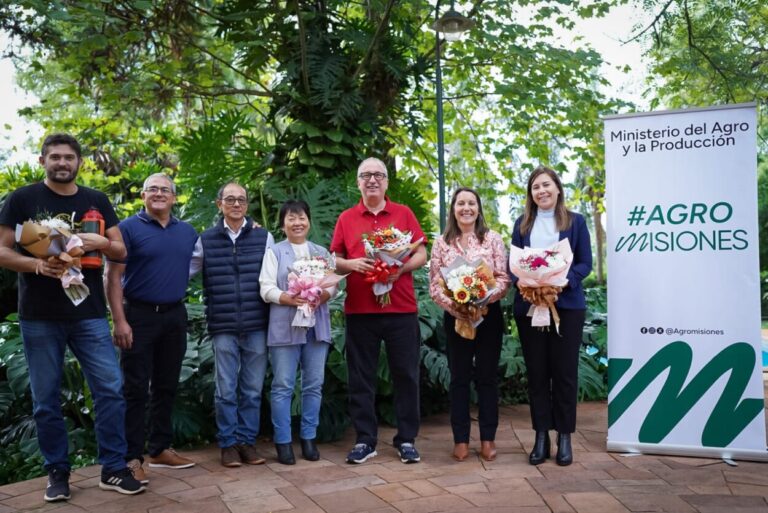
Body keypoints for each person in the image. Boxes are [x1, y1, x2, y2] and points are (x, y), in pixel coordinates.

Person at [0, 133, 145, 501]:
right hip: (39, 316)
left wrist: (102, 243)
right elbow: (2, 251)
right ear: (43, 161)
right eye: (55, 157)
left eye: (68, 157)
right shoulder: (22, 200)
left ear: (79, 162)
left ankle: (113, 468)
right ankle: (57, 472)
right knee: (46, 399)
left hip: (89, 313)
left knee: (110, 389)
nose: (62, 163)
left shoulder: (96, 200)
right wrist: (36, 265)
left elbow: (120, 250)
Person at [330, 157, 427, 464]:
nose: (372, 180)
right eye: (366, 175)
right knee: (361, 377)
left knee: (406, 374)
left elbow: (421, 252)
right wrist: (352, 264)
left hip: (401, 308)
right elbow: (334, 260)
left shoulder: (403, 213)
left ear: (386, 181)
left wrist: (401, 268)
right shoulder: (346, 218)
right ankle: (365, 440)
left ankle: (406, 439)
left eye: (378, 175)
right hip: (360, 310)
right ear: (358, 182)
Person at [105, 173, 198, 484]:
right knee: (134, 389)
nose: (159, 194)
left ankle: (160, 448)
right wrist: (119, 320)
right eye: (152, 189)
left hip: (175, 315)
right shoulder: (127, 229)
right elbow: (112, 277)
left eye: (165, 190)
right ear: (143, 195)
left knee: (166, 384)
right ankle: (131, 457)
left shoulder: (187, 232)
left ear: (174, 197)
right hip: (138, 316)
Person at [511, 166, 592, 466]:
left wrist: (562, 282)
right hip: (530, 307)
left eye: (546, 185)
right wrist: (526, 282)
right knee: (537, 373)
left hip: (566, 306)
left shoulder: (576, 222)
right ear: (530, 194)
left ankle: (565, 436)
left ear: (558, 188)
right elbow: (512, 264)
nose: (541, 191)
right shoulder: (522, 224)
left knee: (565, 373)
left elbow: (585, 263)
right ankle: (541, 435)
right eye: (535, 187)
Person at [189, 182, 273, 468]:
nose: (236, 204)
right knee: (225, 389)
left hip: (257, 323)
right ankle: (227, 444)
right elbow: (185, 271)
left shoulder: (264, 237)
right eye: (230, 199)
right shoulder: (206, 239)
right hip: (223, 324)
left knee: (252, 389)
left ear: (247, 204)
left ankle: (246, 442)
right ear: (219, 204)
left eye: (241, 200)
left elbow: (276, 275)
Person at [428, 187, 510, 462]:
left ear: (478, 208)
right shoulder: (442, 243)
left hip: (489, 316)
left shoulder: (492, 239)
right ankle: (460, 439)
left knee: (487, 377)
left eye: (471, 203)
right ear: (453, 209)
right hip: (457, 318)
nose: (466, 208)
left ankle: (488, 438)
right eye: (460, 203)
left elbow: (503, 278)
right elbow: (435, 285)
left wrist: (484, 298)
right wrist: (458, 308)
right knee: (459, 378)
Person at [259, 200, 335, 465]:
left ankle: (309, 438)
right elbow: (265, 287)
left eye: (302, 217)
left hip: (316, 326)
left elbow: (333, 285)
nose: (297, 223)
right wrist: (288, 298)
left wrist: (323, 294)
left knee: (314, 384)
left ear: (309, 221)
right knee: (283, 385)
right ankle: (283, 441)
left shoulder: (321, 252)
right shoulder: (274, 252)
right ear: (283, 224)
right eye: (291, 218)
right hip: (285, 326)